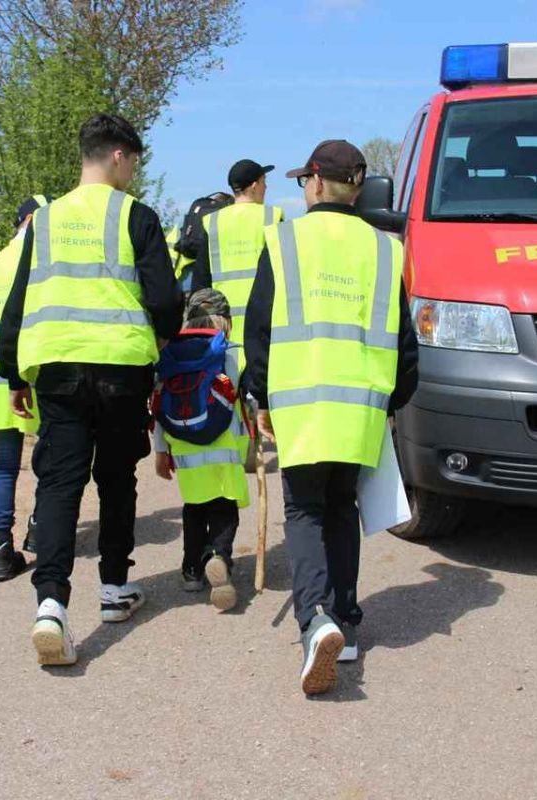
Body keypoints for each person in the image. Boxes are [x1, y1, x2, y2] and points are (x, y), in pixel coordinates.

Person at [0, 113, 183, 667]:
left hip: (58, 368)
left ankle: (51, 605)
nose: (134, 173)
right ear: (119, 155)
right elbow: (165, 299)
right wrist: (162, 337)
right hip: (122, 368)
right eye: (135, 162)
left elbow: (18, 299)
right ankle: (114, 589)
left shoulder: (45, 221)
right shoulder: (136, 216)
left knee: (59, 483)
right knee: (117, 479)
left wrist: (13, 372)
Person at [244, 140, 418, 696]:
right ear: (357, 189)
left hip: (300, 403)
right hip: (360, 408)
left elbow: (259, 329)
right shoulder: (387, 249)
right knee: (342, 509)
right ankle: (345, 621)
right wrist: (391, 403)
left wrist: (260, 397)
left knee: (304, 511)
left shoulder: (284, 240)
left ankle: (315, 618)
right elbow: (406, 343)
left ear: (316, 182)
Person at [152, 288, 251, 611]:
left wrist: (160, 451)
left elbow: (158, 402)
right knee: (224, 507)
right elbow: (248, 401)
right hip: (224, 449)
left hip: (185, 450)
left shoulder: (171, 352)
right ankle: (218, 555)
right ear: (226, 320)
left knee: (194, 508)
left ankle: (192, 570)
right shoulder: (232, 353)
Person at [0, 195, 48, 582]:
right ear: (33, 220)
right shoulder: (39, 261)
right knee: (53, 458)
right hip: (31, 377)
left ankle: (0, 550)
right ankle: (40, 527)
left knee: (2, 466)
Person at [191, 159, 284, 361]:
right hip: (263, 329)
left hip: (222, 329)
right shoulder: (272, 217)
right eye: (264, 181)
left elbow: (201, 281)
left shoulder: (213, 222)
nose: (266, 187)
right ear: (254, 185)